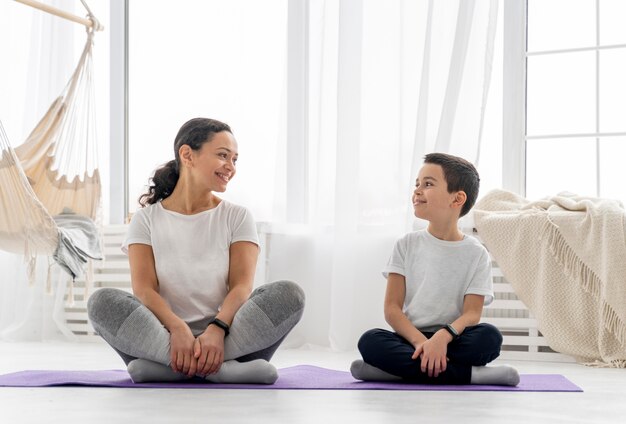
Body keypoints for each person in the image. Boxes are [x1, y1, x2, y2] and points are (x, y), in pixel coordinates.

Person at [88, 118, 305, 384]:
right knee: (100, 303)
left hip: (227, 333)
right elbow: (144, 290)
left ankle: (171, 368)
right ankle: (221, 370)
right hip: (164, 333)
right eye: (223, 156)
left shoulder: (237, 216)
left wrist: (217, 328)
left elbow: (241, 287)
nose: (231, 167)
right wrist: (177, 328)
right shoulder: (145, 220)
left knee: (290, 295)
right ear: (187, 155)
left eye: (235, 159)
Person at [350, 153, 519, 386]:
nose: (417, 190)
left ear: (457, 199)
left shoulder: (476, 253)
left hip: (453, 339)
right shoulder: (406, 244)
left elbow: (472, 314)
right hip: (411, 339)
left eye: (428, 184)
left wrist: (442, 337)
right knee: (370, 341)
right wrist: (422, 344)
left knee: (489, 337)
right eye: (417, 184)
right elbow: (392, 309)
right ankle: (472, 375)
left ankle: (393, 373)